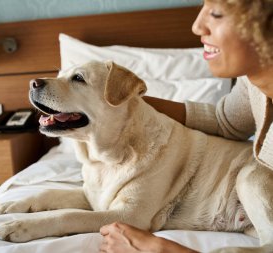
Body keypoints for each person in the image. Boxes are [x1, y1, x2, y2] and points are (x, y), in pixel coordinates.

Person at [99, 0, 273, 252]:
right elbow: (225, 121)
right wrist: (129, 103)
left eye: (216, 13)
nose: (197, 26)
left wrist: (157, 248)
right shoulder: (254, 82)